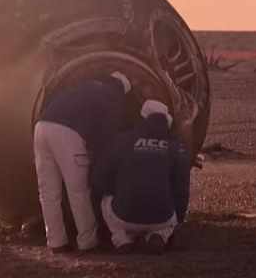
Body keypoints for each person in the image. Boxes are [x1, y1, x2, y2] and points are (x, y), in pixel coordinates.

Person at [34, 71, 131, 253]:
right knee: (78, 190)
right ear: (122, 90)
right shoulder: (113, 95)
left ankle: (56, 241)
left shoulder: (87, 87)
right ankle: (88, 241)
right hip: (67, 133)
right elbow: (107, 133)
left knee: (48, 192)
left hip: (41, 127)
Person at [92, 99, 191, 255]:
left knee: (107, 199)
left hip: (123, 216)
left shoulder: (121, 140)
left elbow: (101, 176)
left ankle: (122, 239)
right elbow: (181, 185)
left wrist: (114, 190)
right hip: (162, 218)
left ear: (141, 117)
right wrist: (178, 217)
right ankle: (160, 235)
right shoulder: (176, 145)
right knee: (167, 218)